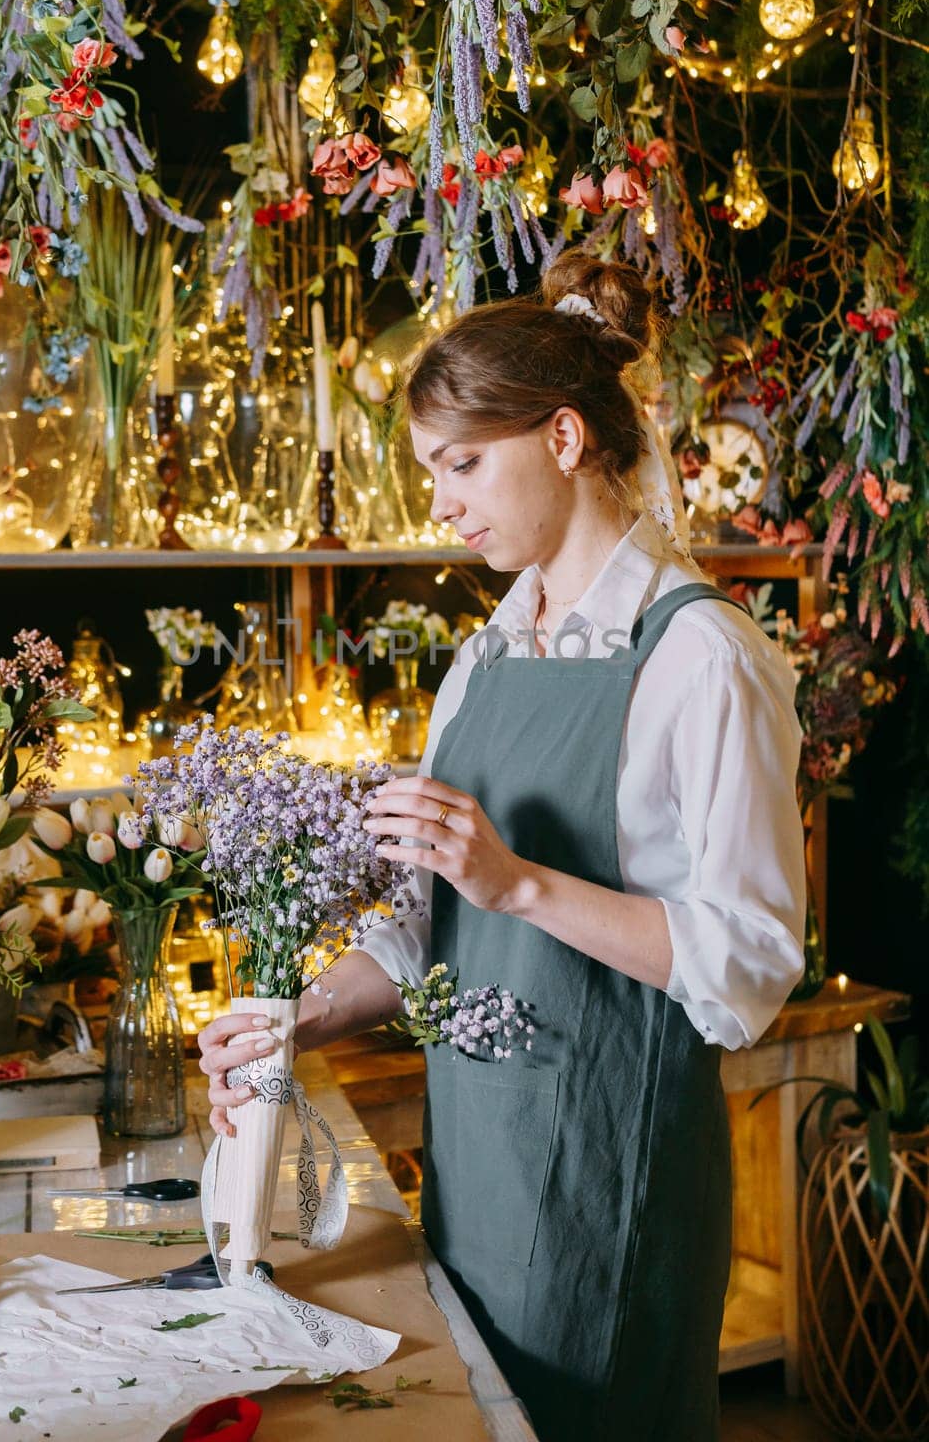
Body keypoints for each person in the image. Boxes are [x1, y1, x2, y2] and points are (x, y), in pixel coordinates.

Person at [198, 250, 806, 1442]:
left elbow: (745, 966)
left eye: (461, 463)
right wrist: (304, 1016)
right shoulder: (488, 654)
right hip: (476, 1149)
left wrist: (518, 879)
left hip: (609, 1171)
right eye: (433, 471)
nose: (440, 502)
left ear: (566, 439)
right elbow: (435, 921)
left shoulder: (701, 657)